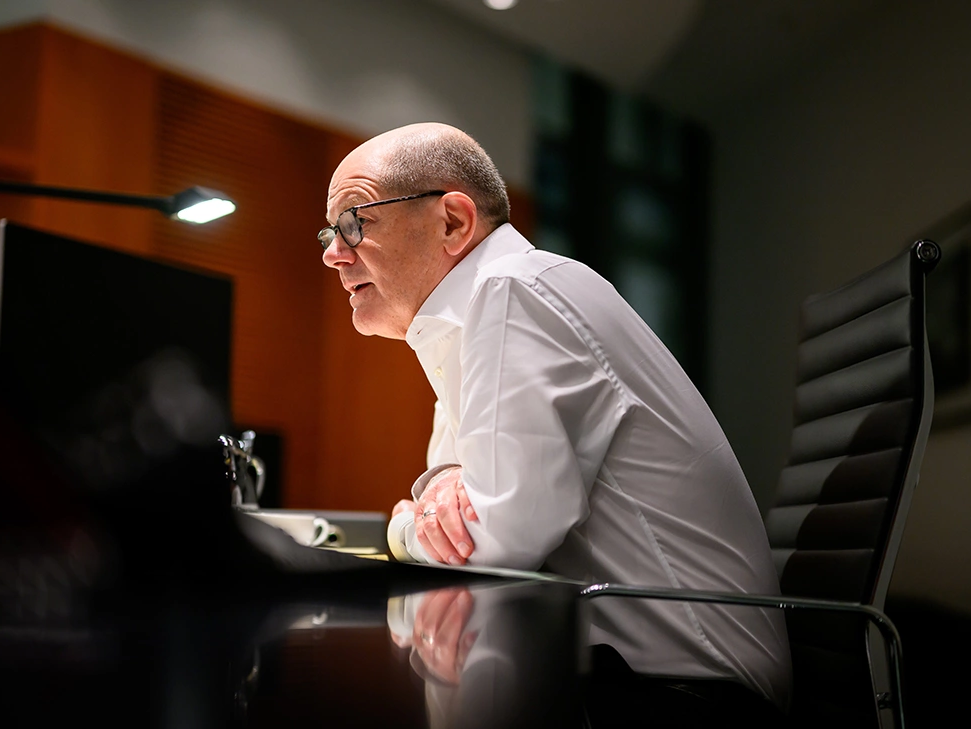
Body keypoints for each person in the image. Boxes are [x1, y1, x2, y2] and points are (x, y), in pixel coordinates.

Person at [320, 122, 791, 713]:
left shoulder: (514, 291)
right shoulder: (472, 320)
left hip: (695, 699)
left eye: (354, 222)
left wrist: (399, 531)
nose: (333, 254)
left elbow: (493, 542)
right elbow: (453, 499)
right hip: (626, 676)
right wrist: (441, 495)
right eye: (329, 233)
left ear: (453, 223)